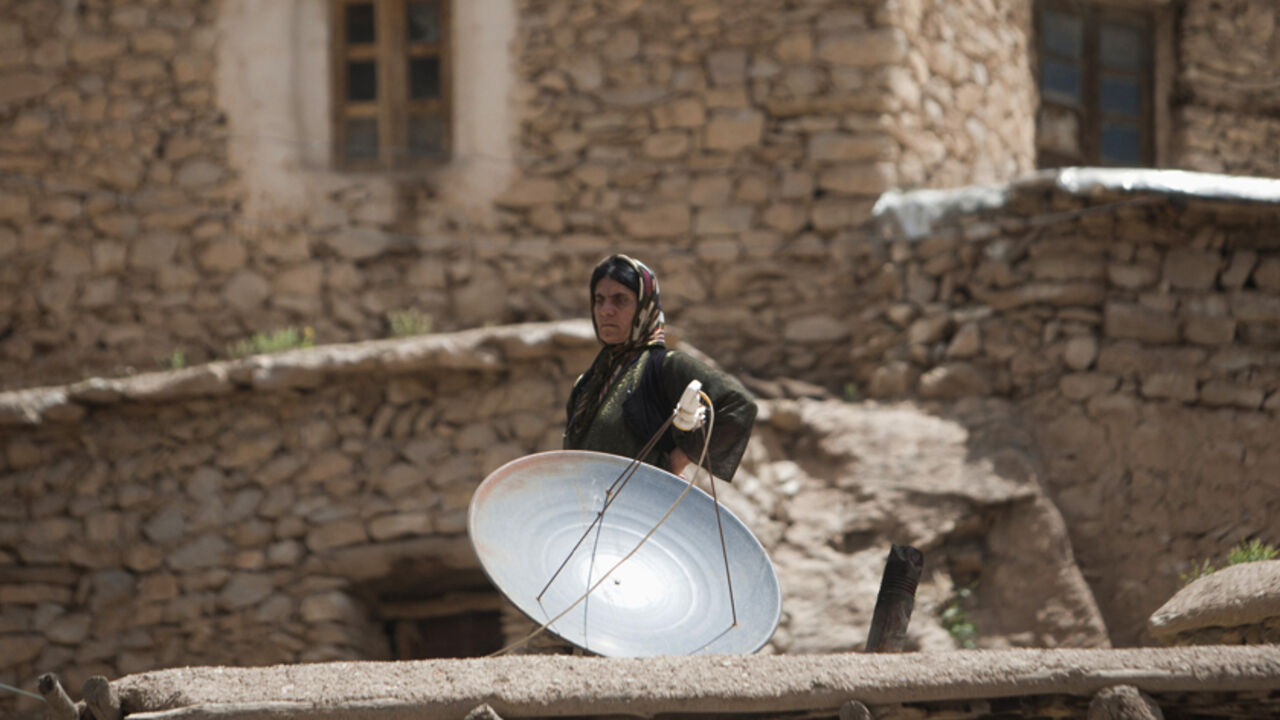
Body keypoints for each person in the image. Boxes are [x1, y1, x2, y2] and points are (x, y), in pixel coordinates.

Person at [564, 254, 757, 481]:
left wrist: (677, 460)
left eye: (620, 300)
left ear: (644, 308)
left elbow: (739, 405)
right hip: (588, 508)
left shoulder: (663, 366)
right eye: (599, 300)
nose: (606, 310)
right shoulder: (588, 383)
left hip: (643, 510)